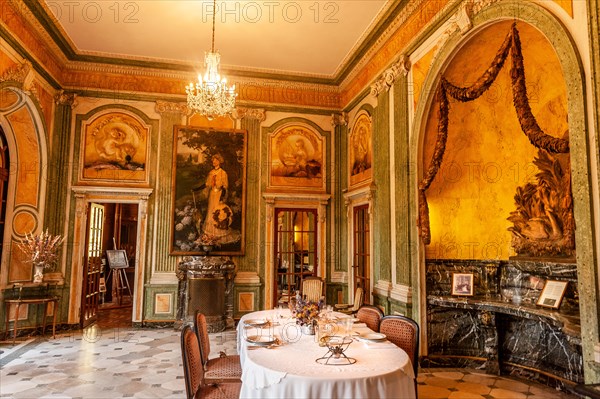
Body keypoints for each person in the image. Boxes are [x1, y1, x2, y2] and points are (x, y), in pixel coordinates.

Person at [203, 154, 228, 237]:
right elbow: (207, 184)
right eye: (213, 160)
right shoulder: (211, 173)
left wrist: (222, 197)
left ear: (219, 161)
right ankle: (210, 232)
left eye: (216, 160)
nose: (214, 162)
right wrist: (196, 189)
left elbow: (224, 187)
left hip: (219, 194)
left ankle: (218, 231)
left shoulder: (223, 173)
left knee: (217, 211)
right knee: (211, 211)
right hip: (212, 194)